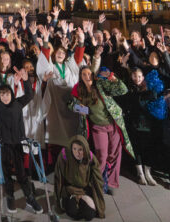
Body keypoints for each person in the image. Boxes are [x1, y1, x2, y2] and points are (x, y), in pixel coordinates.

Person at [0, 70, 44, 215]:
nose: (5, 97)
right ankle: (10, 197)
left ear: (11, 94)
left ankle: (30, 198)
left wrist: (25, 81)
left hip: (17, 143)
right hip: (4, 144)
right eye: (2, 94)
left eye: (7, 94)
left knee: (21, 174)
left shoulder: (18, 103)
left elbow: (29, 95)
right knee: (6, 172)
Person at [70, 66, 134, 194]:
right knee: (102, 155)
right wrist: (81, 108)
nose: (87, 76)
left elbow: (123, 90)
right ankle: (97, 183)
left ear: (93, 75)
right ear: (81, 77)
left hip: (113, 123)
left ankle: (109, 183)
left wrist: (113, 79)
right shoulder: (79, 89)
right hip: (98, 128)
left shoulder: (100, 84)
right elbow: (71, 105)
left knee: (114, 154)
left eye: (89, 74)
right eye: (84, 74)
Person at [53, 135, 106, 221]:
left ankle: (82, 201)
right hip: (70, 191)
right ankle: (73, 201)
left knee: (90, 215)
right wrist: (57, 203)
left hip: (85, 190)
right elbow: (58, 179)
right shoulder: (64, 156)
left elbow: (98, 180)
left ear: (85, 149)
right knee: (72, 212)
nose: (77, 153)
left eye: (80, 149)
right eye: (74, 149)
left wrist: (99, 206)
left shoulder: (90, 158)